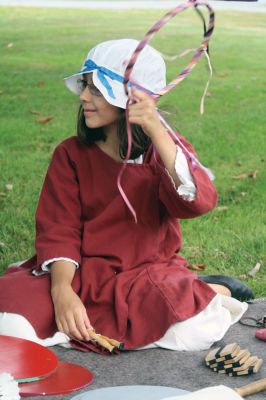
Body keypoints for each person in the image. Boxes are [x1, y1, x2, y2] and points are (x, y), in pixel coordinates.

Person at [0, 39, 253, 352]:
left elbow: (198, 200)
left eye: (96, 90)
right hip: (81, 274)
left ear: (126, 99)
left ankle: (212, 290)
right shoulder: (70, 154)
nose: (83, 97)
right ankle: (104, 317)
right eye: (85, 86)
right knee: (9, 321)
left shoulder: (163, 153)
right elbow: (59, 231)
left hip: (145, 277)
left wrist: (156, 129)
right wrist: (62, 292)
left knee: (194, 329)